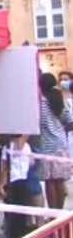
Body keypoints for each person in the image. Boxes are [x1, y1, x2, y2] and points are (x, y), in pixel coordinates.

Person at [37, 72, 73, 210]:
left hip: (46, 146)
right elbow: (70, 122)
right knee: (59, 181)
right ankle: (59, 211)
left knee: (49, 181)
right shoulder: (60, 100)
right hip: (61, 145)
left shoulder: (40, 104)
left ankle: (53, 212)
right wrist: (60, 129)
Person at [2, 134, 34, 238]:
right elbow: (4, 165)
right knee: (12, 210)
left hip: (22, 180)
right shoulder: (8, 147)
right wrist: (2, 184)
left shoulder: (27, 147)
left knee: (21, 208)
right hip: (13, 181)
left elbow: (31, 162)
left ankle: (19, 233)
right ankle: (12, 234)